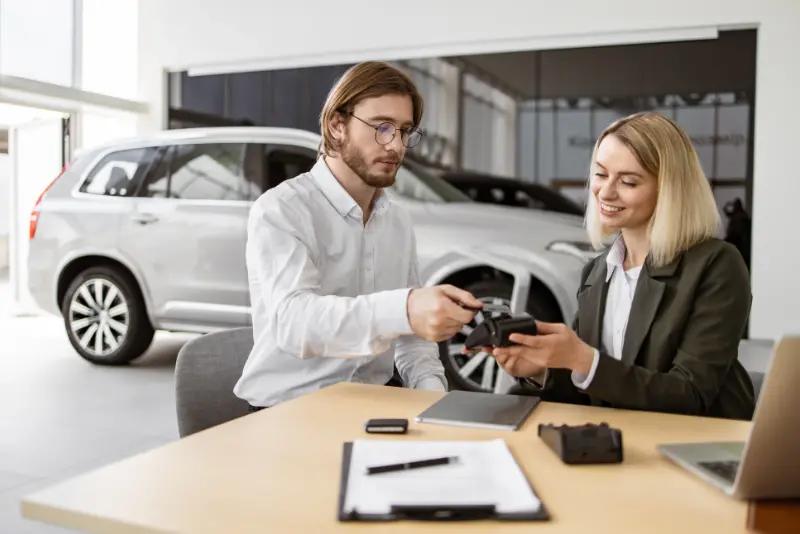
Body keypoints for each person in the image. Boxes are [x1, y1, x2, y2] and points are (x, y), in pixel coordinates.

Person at [234, 62, 482, 409]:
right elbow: (294, 323)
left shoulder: (396, 220)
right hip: (289, 411)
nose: (395, 145)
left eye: (404, 130)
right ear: (337, 125)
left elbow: (412, 340)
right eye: (382, 127)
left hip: (372, 407)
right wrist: (405, 307)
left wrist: (435, 402)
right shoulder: (282, 210)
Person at [491, 111, 754, 420]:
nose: (606, 191)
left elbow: (691, 394)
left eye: (628, 181)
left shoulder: (717, 265)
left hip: (696, 449)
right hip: (621, 443)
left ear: (669, 190)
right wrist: (542, 370)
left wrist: (584, 359)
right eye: (600, 174)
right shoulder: (598, 271)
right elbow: (593, 388)